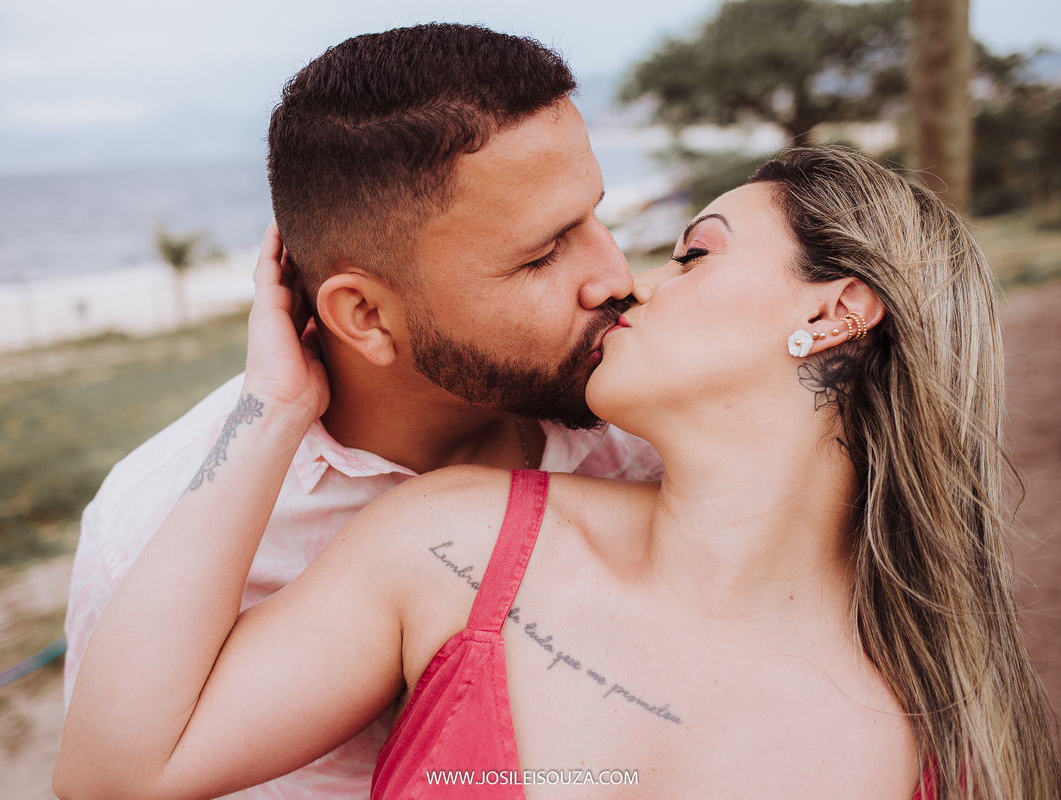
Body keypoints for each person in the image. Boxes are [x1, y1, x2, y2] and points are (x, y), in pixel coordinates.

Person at [55, 147, 1061, 800]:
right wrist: (274, 405)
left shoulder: (947, 726)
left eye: (694, 255)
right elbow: (111, 773)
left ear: (833, 312)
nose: (629, 282)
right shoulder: (453, 542)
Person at [61, 23, 662, 800]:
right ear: (368, 316)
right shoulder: (148, 531)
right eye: (544, 254)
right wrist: (272, 412)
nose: (615, 276)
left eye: (595, 217)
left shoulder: (647, 422)